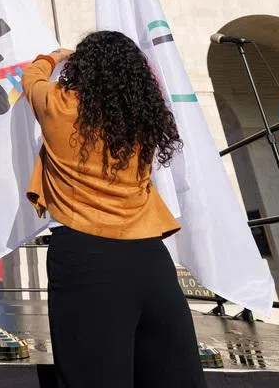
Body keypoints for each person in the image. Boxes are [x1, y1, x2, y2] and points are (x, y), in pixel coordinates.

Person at [22, 31, 206, 388]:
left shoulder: (59, 105)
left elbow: (32, 77)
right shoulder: (141, 120)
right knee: (172, 374)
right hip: (150, 259)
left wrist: (57, 55)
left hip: (85, 257)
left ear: (82, 69)